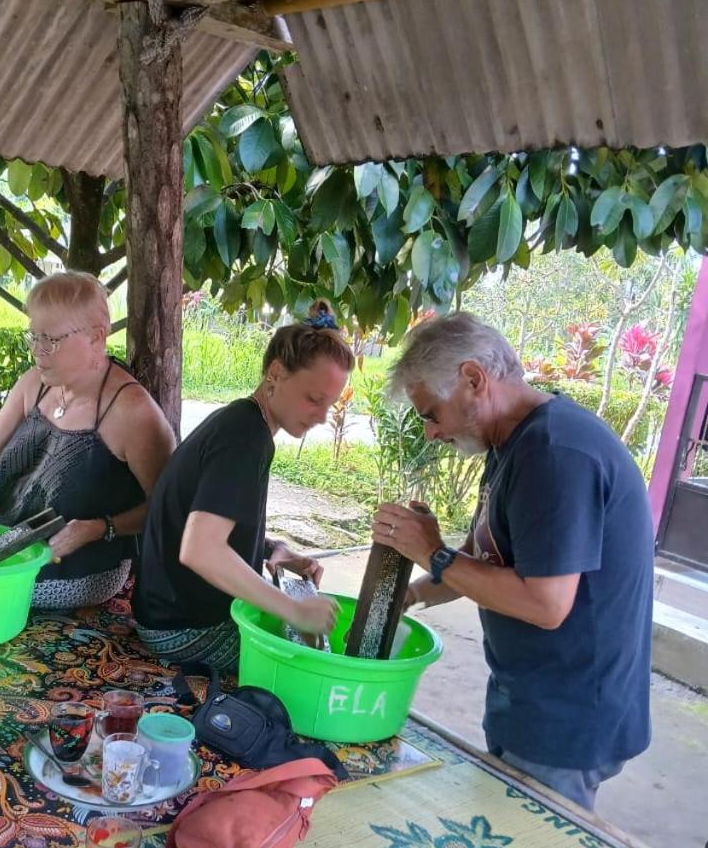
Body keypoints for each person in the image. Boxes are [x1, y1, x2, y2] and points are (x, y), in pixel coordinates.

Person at [373, 313, 653, 812]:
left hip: (567, 718)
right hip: (526, 702)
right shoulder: (510, 444)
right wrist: (410, 594)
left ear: (473, 379)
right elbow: (484, 565)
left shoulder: (556, 452)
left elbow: (545, 604)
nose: (431, 434)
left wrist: (433, 552)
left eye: (431, 414)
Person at [0, 271, 174, 608]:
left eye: (51, 339)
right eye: (33, 336)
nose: (38, 350)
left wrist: (99, 528)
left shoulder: (133, 412)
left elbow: (167, 507)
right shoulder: (34, 384)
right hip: (6, 544)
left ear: (96, 336)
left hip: (78, 569)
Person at [133, 317, 354, 672]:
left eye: (329, 406)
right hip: (182, 629)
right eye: (314, 399)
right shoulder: (246, 439)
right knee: (318, 667)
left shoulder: (241, 422)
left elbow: (206, 523)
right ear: (276, 373)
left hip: (166, 614)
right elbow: (200, 550)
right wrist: (294, 610)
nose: (321, 417)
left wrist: (271, 549)